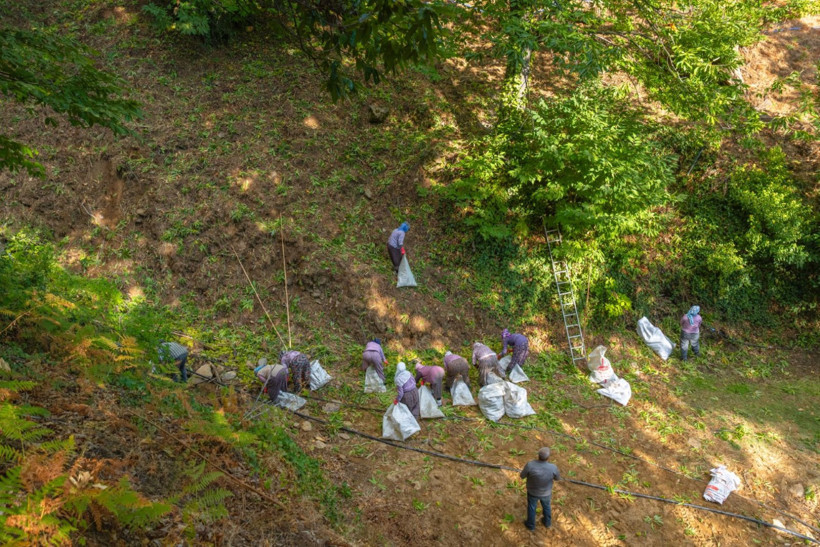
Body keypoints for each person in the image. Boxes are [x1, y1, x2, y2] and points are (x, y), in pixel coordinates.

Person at [520, 447, 560, 531]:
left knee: (531, 507)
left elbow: (522, 476)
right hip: (546, 493)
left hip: (532, 492)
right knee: (546, 507)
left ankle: (531, 526)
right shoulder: (553, 467)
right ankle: (547, 522)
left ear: (538, 455)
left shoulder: (530, 465)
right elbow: (557, 478)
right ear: (548, 457)